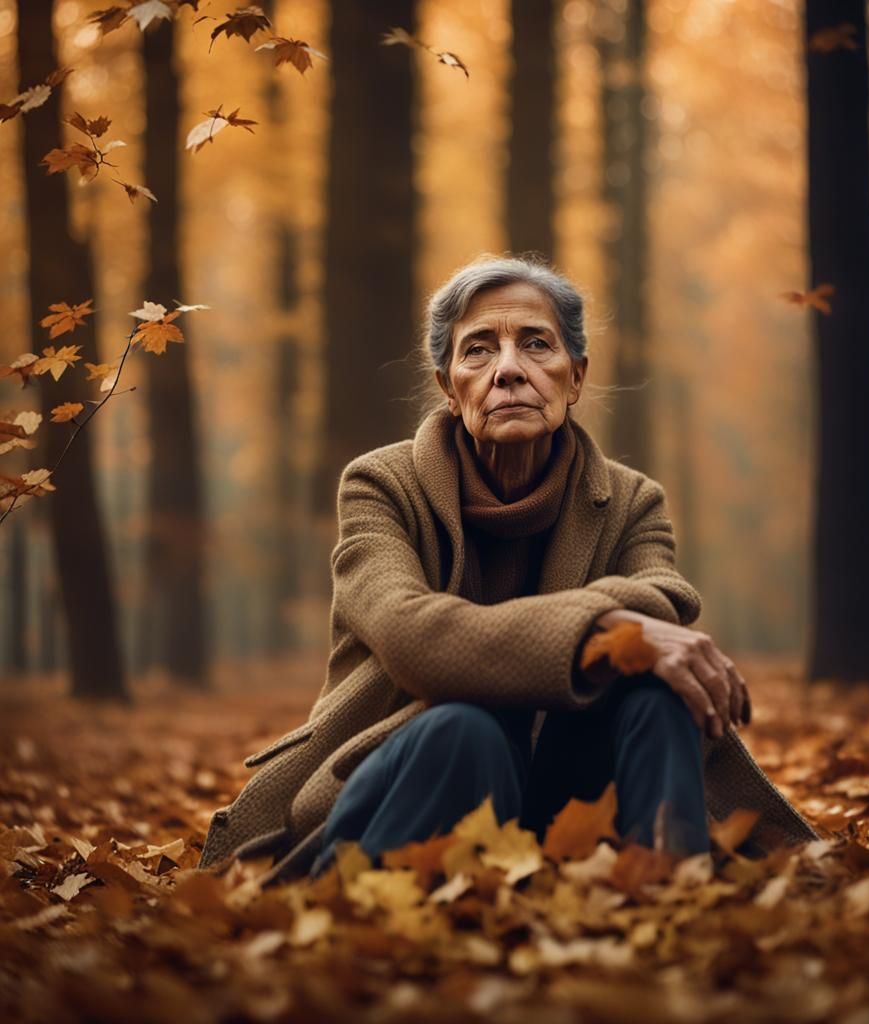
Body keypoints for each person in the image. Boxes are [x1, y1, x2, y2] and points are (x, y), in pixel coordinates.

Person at [198, 255, 819, 885]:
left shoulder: (634, 502)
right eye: (478, 351)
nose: (509, 371)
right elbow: (412, 637)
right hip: (414, 777)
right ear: (448, 386)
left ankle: (670, 912)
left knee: (655, 693)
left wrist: (627, 630)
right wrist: (612, 625)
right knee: (468, 730)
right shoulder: (380, 486)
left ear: (575, 377)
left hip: (567, 794)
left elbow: (661, 601)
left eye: (536, 344)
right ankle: (379, 933)